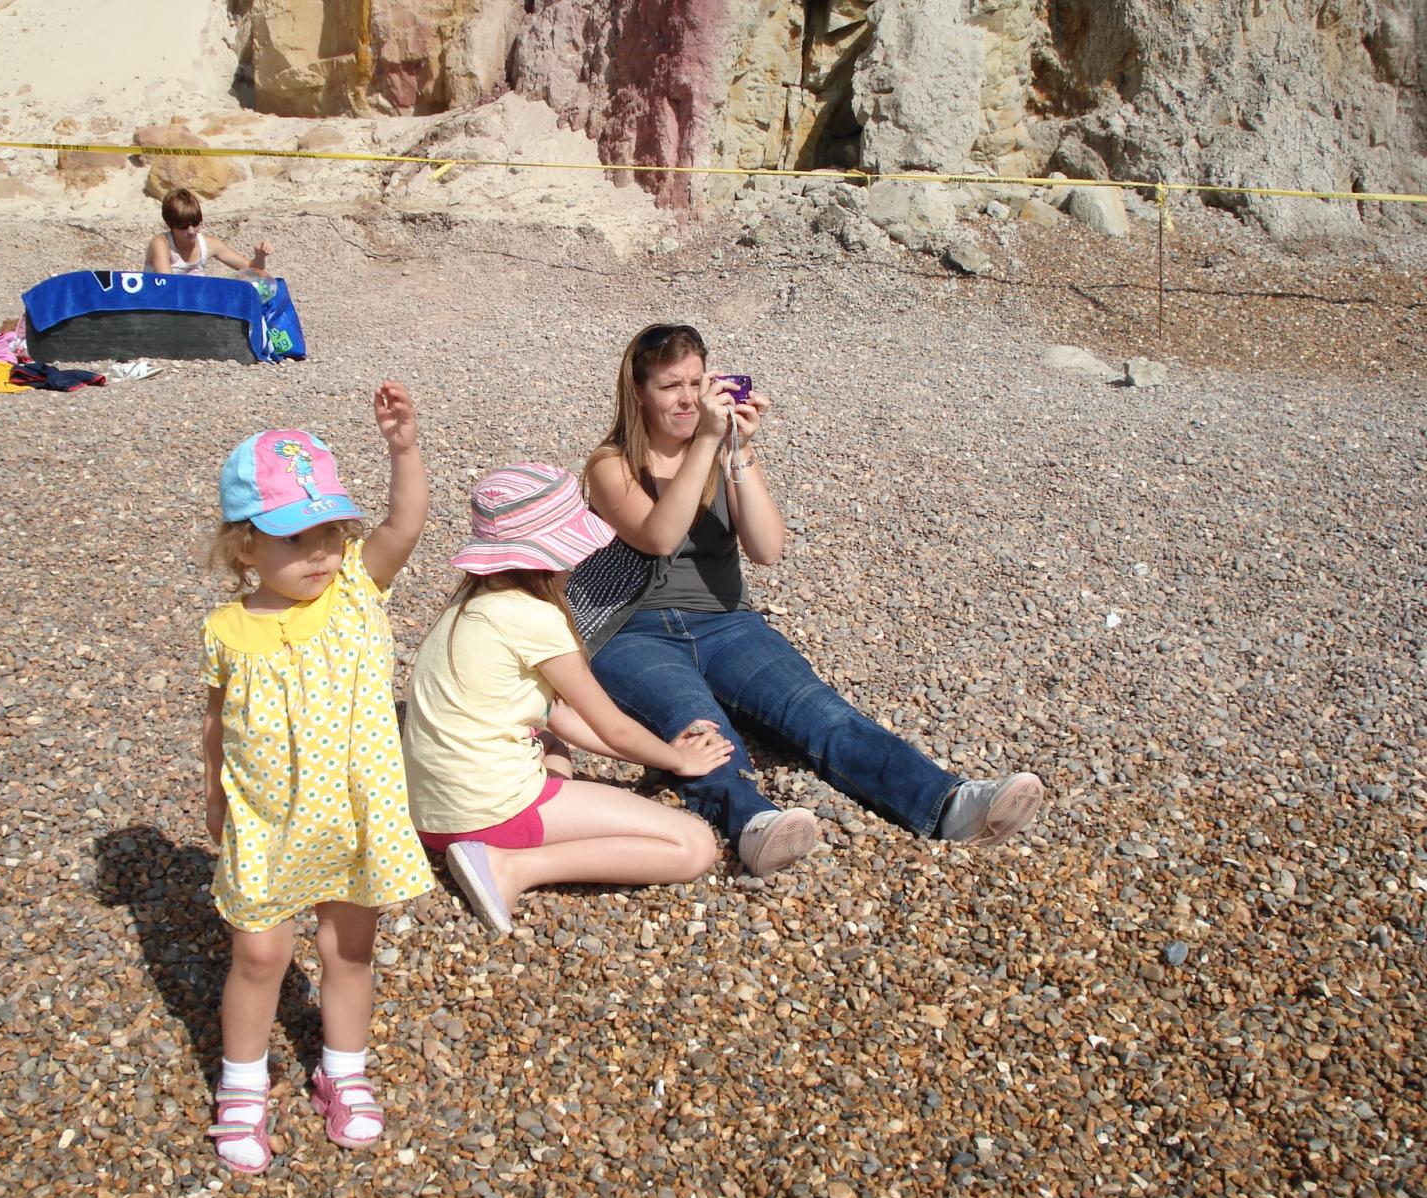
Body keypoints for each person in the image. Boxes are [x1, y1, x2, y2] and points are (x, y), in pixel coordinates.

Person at [577, 323, 1045, 878]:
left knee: (819, 712)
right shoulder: (611, 464)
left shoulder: (721, 450)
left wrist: (739, 454)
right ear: (638, 393)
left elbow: (767, 548)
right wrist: (706, 441)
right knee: (698, 728)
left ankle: (950, 803)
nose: (687, 399)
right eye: (670, 386)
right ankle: (752, 825)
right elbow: (658, 536)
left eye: (697, 382)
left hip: (726, 623)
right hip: (634, 629)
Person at [199, 384, 430, 1175]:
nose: (323, 554)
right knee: (260, 956)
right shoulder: (227, 630)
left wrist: (403, 447)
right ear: (244, 550)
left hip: (353, 814)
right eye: (298, 540)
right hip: (267, 817)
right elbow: (214, 726)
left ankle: (344, 1070)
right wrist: (213, 798)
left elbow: (405, 524)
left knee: (347, 949)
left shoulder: (359, 592)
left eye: (330, 532)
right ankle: (242, 1086)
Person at [403, 462, 732, 937]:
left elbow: (556, 715)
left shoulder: (469, 603)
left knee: (553, 743)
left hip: (434, 813)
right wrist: (677, 759)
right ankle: (512, 868)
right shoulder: (535, 618)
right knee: (693, 845)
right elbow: (612, 727)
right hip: (489, 813)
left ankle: (494, 846)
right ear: (552, 553)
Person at [147, 187, 273, 276]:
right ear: (170, 224)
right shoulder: (161, 243)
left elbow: (253, 271)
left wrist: (260, 256)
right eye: (183, 226)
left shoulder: (208, 244)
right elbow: (168, 285)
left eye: (195, 223)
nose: (191, 231)